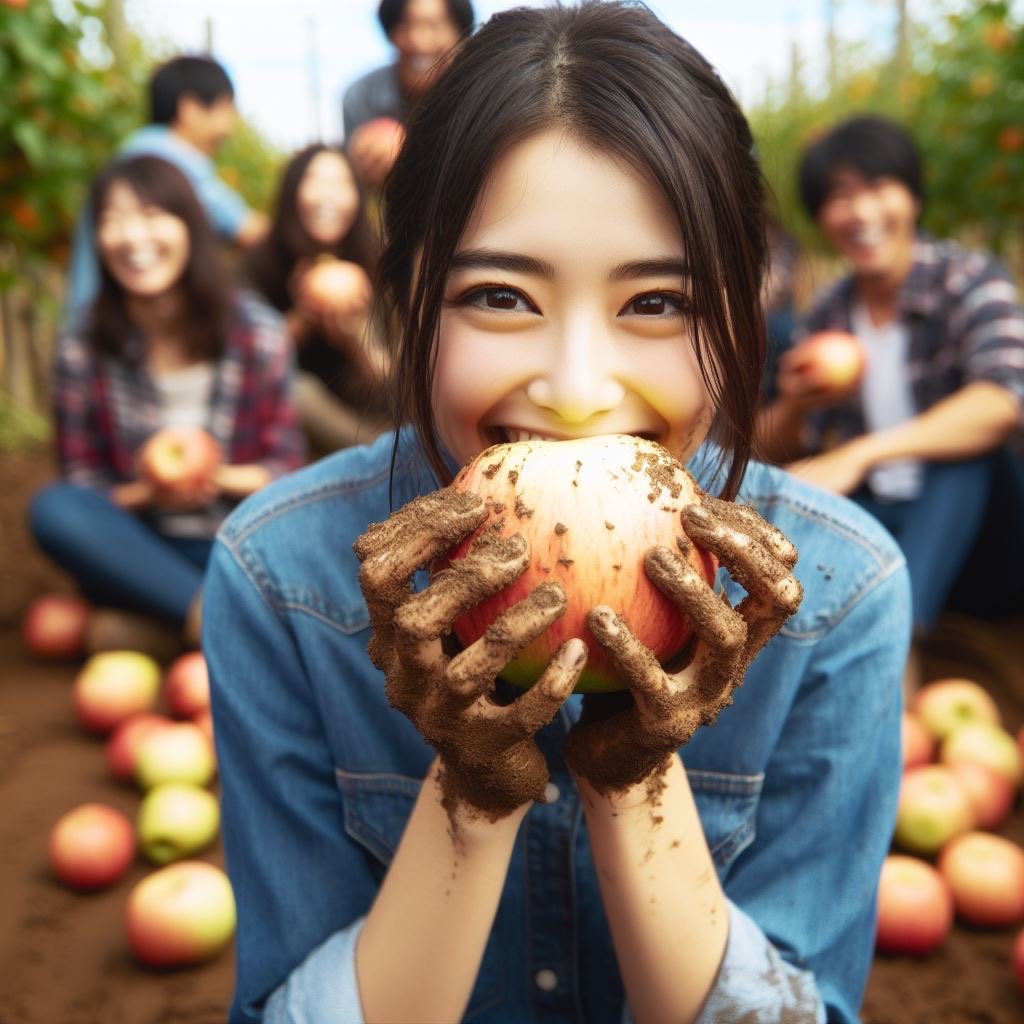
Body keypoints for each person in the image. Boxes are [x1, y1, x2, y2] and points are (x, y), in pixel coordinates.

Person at [203, 6, 910, 1022]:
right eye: (499, 295)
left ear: (741, 312)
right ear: (408, 300)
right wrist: (473, 797)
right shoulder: (280, 578)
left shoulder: (838, 594)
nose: (578, 392)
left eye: (657, 303)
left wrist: (635, 788)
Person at [756, 115, 1024, 650]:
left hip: (993, 541)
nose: (860, 212)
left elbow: (1003, 400)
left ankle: (902, 645)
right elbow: (776, 451)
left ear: (912, 194)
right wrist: (794, 403)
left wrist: (863, 454)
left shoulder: (969, 280)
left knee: (967, 456)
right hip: (891, 528)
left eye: (877, 187)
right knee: (800, 504)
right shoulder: (829, 313)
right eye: (839, 196)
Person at [31, 155, 304, 655]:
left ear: (191, 227)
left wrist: (213, 478)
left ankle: (177, 624)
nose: (134, 236)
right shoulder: (84, 348)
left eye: (153, 214)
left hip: (238, 544)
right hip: (141, 550)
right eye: (113, 220)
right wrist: (150, 491)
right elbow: (82, 483)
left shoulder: (256, 334)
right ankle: (214, 617)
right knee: (55, 510)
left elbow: (286, 467)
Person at [65, 55, 269, 328]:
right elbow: (250, 231)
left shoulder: (133, 153)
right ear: (189, 108)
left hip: (92, 325)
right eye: (226, 108)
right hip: (119, 333)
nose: (231, 127)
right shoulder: (172, 161)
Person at [243, 143, 391, 453]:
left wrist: (355, 338)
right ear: (292, 193)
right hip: (290, 427)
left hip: (369, 411)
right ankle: (381, 454)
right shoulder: (260, 264)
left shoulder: (377, 265)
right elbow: (245, 367)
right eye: (317, 181)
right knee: (300, 391)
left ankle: (384, 450)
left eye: (341, 184)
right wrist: (302, 319)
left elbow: (393, 380)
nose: (329, 196)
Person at [342, 0, 473, 187]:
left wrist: (403, 148)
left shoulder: (481, 94)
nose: (419, 41)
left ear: (460, 33)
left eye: (433, 25)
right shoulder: (360, 95)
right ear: (391, 33)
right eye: (406, 25)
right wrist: (358, 160)